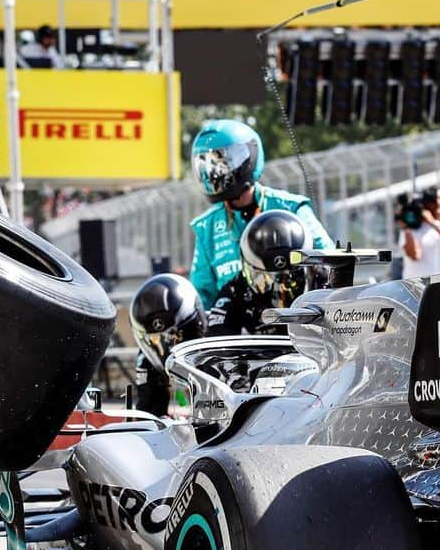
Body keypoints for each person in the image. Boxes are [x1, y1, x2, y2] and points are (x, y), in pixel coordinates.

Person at [189, 119, 332, 312]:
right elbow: (202, 298)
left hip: (295, 321)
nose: (213, 174)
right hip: (238, 333)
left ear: (248, 157)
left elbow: (330, 264)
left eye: (221, 163)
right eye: (206, 165)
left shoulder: (291, 207)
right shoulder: (206, 227)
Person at [208, 209, 312, 336]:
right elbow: (219, 343)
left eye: (290, 279)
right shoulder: (234, 292)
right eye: (264, 279)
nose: (279, 290)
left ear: (308, 269)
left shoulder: (324, 283)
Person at [130, 273, 207, 416]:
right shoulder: (146, 359)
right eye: (154, 340)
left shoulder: (217, 343)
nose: (167, 348)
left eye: (176, 335)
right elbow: (148, 414)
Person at [396, 186, 440, 279]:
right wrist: (407, 227)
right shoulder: (413, 227)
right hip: (418, 285)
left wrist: (433, 223)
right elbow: (414, 255)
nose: (439, 203)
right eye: (436, 200)